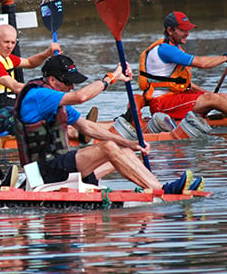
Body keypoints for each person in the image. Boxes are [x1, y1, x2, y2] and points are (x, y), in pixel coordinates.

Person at [14, 55, 204, 194]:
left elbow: (89, 127)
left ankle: (164, 188)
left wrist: (129, 142)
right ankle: (162, 191)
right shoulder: (38, 95)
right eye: (68, 82)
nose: (72, 86)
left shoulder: (57, 101)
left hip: (59, 164)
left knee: (124, 150)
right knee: (108, 148)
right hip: (40, 171)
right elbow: (81, 97)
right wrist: (111, 77)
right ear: (52, 80)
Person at [139, 11, 227, 121]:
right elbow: (202, 63)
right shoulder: (165, 49)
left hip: (175, 98)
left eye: (188, 30)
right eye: (183, 30)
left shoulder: (174, 47)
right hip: (162, 105)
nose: (188, 33)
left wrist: (207, 94)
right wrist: (226, 57)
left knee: (219, 96)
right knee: (213, 99)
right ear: (170, 30)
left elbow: (186, 84)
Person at [0, 23, 59, 135]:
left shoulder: (6, 58)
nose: (10, 46)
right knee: (31, 110)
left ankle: (68, 130)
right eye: (6, 42)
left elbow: (30, 62)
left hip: (6, 114)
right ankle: (67, 133)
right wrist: (47, 94)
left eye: (13, 42)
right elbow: (16, 87)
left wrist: (47, 53)